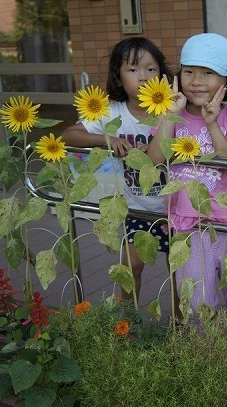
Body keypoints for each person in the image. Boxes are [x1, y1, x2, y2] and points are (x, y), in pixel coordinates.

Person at [147, 33, 227, 330]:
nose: (196, 80)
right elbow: (156, 160)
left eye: (208, 73)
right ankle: (209, 354)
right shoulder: (171, 115)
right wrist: (170, 115)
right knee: (196, 299)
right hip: (187, 224)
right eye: (189, 71)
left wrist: (211, 122)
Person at [62, 37, 176, 305]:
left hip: (174, 209)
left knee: (179, 272)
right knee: (130, 269)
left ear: (162, 73)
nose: (144, 77)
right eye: (133, 69)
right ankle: (127, 322)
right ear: (118, 75)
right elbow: (69, 134)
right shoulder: (112, 113)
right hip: (136, 207)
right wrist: (107, 139)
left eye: (151, 69)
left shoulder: (171, 109)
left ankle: (180, 325)